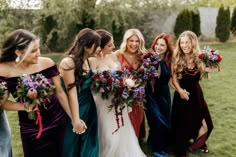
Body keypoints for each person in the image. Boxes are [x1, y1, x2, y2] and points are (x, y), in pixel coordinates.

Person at [0, 29, 71, 157]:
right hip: (30, 127)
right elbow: (3, 103)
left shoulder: (47, 63)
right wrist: (24, 107)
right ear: (18, 52)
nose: (38, 53)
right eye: (33, 51)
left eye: (38, 49)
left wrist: (73, 118)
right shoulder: (4, 70)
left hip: (56, 121)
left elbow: (60, 92)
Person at [90, 29, 146, 157]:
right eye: (110, 45)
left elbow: (121, 75)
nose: (113, 47)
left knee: (122, 131)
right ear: (100, 46)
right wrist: (108, 85)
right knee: (107, 134)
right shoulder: (93, 61)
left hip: (118, 100)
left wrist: (125, 84)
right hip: (103, 102)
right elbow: (91, 84)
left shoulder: (113, 56)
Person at [171, 31, 214, 157]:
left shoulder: (200, 58)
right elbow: (174, 79)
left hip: (196, 94)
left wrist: (208, 67)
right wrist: (180, 91)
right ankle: (180, 148)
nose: (184, 45)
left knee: (207, 123)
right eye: (182, 42)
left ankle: (198, 142)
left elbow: (204, 71)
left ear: (193, 43)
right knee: (183, 124)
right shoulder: (177, 57)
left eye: (187, 42)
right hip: (182, 95)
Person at [59, 28, 101, 157]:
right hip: (73, 109)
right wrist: (75, 120)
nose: (99, 48)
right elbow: (71, 93)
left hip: (89, 108)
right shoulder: (68, 63)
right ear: (87, 47)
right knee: (73, 144)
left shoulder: (87, 60)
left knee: (90, 144)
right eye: (97, 45)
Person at [144, 33, 173, 157]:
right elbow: (142, 76)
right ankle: (157, 149)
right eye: (157, 44)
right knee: (156, 122)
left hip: (164, 96)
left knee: (165, 122)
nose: (159, 47)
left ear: (167, 47)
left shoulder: (169, 60)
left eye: (162, 45)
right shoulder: (148, 58)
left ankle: (153, 142)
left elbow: (173, 79)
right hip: (150, 95)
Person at [115, 28, 147, 140]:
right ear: (126, 41)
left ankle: (135, 140)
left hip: (137, 94)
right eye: (131, 41)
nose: (134, 44)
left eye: (137, 41)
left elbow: (145, 76)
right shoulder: (119, 54)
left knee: (136, 116)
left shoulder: (143, 56)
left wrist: (139, 87)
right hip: (122, 93)